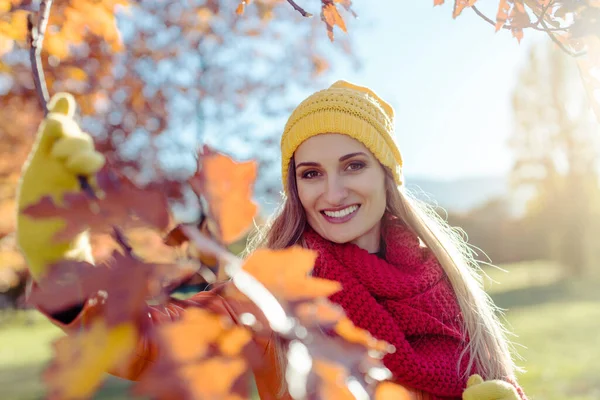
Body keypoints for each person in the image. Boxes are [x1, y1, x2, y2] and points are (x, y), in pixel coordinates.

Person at [16, 83, 526, 400]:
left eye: (353, 165)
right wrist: (56, 252)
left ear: (387, 174)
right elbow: (152, 344)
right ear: (294, 187)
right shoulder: (272, 291)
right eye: (310, 173)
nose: (333, 191)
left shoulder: (443, 284)